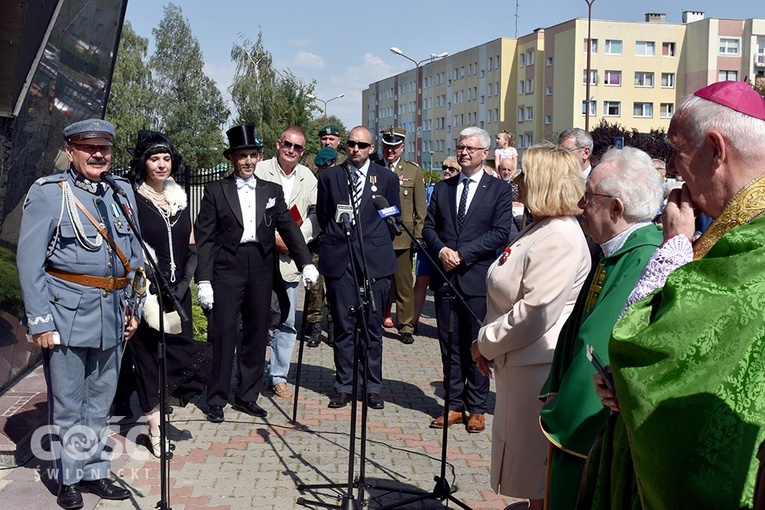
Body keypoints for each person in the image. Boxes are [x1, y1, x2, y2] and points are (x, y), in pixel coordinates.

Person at [583, 81, 765, 508]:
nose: (672, 168)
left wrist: (674, 249)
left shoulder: (753, 247)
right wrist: (625, 385)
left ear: (716, 149)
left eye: (677, 150)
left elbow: (642, 345)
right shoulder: (734, 227)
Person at [17, 119, 140, 508]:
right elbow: (29, 261)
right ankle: (68, 477)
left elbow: (133, 256)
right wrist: (40, 320)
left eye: (104, 147)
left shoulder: (120, 192)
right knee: (69, 401)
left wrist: (133, 307)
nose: (98, 154)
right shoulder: (51, 193)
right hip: (66, 313)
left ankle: (95, 471)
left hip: (112, 312)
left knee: (101, 399)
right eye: (88, 147)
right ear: (70, 150)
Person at [538, 146, 664, 509]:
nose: (580, 204)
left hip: (598, 428)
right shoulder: (614, 250)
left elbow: (600, 342)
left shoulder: (642, 256)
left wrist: (567, 410)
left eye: (589, 196)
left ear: (616, 208)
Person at [470, 143, 591, 510]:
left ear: (544, 183)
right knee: (528, 470)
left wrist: (484, 344)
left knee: (537, 473)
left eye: (525, 174)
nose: (517, 181)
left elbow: (535, 312)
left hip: (536, 370)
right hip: (522, 366)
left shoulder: (558, 237)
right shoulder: (542, 227)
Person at [195, 125, 318, 424]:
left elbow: (288, 228)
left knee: (256, 332)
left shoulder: (270, 190)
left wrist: (306, 263)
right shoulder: (215, 191)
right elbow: (205, 238)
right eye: (242, 156)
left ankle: (247, 396)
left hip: (262, 266)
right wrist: (204, 279)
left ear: (259, 156)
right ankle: (217, 398)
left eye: (253, 155)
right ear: (233, 158)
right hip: (228, 265)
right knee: (224, 333)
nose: (248, 161)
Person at [422, 127, 514, 433]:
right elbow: (428, 228)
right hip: (446, 278)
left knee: (477, 344)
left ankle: (477, 408)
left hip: (476, 279)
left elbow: (500, 233)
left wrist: (463, 254)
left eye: (470, 149)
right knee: (449, 345)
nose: (463, 153)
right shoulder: (444, 187)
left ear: (484, 153)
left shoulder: (498, 190)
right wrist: (443, 250)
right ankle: (453, 405)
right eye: (460, 148)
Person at [126, 131, 211, 457]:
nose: (161, 164)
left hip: (177, 294)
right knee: (148, 362)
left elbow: (191, 246)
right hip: (147, 294)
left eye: (166, 158)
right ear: (143, 163)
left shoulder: (179, 197)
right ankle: (155, 432)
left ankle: (163, 408)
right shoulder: (134, 199)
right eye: (154, 158)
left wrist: (184, 282)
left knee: (178, 354)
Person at [316, 126, 400, 410]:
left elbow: (392, 218)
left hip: (374, 263)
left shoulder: (387, 178)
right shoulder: (330, 177)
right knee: (343, 327)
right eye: (351, 144)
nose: (355, 149)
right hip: (341, 261)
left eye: (362, 145)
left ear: (371, 148)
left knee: (372, 329)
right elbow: (326, 215)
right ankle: (344, 386)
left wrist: (374, 245)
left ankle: (372, 387)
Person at [255, 126, 319, 399]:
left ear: (303, 151)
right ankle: (251, 374)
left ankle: (278, 376)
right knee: (255, 320)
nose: (291, 150)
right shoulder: (260, 171)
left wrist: (293, 241)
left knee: (287, 321)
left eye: (298, 147)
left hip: (291, 261)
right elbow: (248, 211)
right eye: (288, 145)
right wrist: (274, 237)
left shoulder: (309, 177)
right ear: (279, 143)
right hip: (260, 258)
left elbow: (315, 218)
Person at [379, 127, 427, 344]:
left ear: (402, 148)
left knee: (404, 284)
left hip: (401, 237)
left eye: (395, 146)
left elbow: (420, 208)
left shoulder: (413, 171)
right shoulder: (373, 167)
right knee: (376, 283)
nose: (391, 150)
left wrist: (418, 236)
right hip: (376, 236)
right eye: (387, 146)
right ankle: (374, 318)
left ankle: (406, 325)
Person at [412, 156, 461, 331]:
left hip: (446, 247)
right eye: (444, 167)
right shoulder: (433, 189)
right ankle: (413, 321)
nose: (447, 171)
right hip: (428, 244)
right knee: (420, 281)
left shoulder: (458, 191)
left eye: (452, 169)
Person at [305, 146, 338, 348]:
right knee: (314, 289)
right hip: (316, 245)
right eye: (320, 170)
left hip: (334, 244)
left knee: (334, 287)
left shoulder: (341, 185)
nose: (323, 173)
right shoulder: (313, 186)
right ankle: (314, 328)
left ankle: (334, 327)